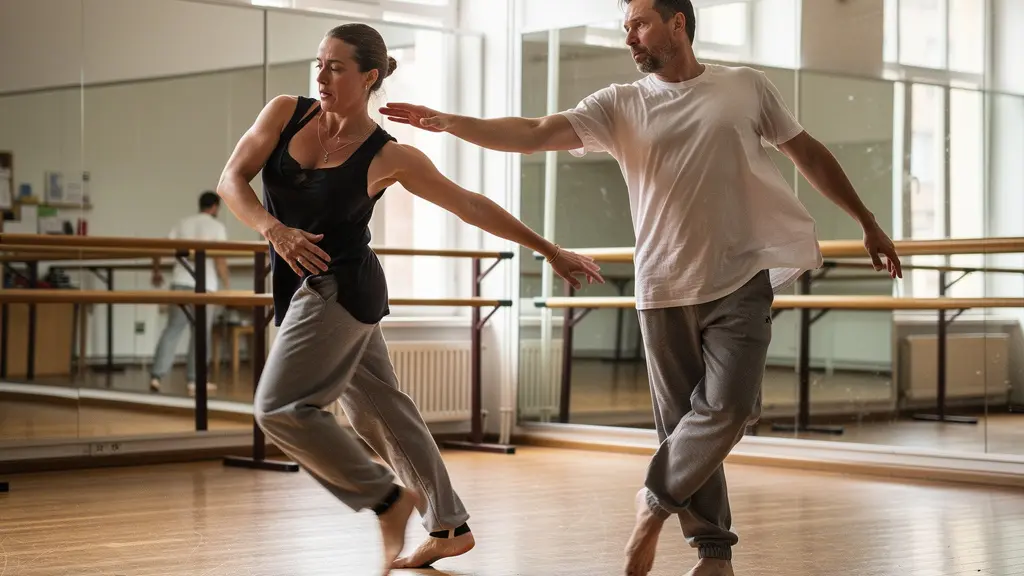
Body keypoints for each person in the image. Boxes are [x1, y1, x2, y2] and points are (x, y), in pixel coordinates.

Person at [380, 1, 903, 574]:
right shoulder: (619, 103)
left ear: (677, 22)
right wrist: (452, 122)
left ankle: (653, 501)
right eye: (625, 26)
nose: (629, 36)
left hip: (740, 278)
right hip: (663, 286)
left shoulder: (745, 87)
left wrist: (867, 221)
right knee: (682, 426)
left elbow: (808, 153)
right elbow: (533, 133)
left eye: (639, 23)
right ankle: (713, 554)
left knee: (729, 409)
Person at [215, 22, 604, 576]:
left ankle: (387, 499)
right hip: (302, 281)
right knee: (381, 413)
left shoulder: (389, 156)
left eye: (337, 67)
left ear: (369, 76)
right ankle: (448, 528)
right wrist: (272, 229)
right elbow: (232, 179)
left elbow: (470, 205)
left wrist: (548, 248)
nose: (322, 76)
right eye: (319, 64)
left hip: (341, 287)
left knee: (278, 408)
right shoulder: (285, 112)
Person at [149, 190, 230, 397]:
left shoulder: (183, 223)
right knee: (200, 334)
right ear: (214, 207)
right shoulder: (217, 227)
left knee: (172, 330)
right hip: (206, 286)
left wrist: (156, 271)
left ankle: (156, 376)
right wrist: (227, 285)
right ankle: (195, 381)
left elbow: (160, 247)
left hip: (180, 283)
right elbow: (220, 259)